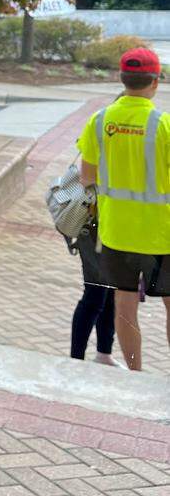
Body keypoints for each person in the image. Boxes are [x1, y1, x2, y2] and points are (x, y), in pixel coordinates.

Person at [78, 45, 170, 371]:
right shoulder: (164, 125)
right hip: (162, 236)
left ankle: (135, 373)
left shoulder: (99, 120)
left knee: (125, 304)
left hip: (116, 233)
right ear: (156, 81)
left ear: (122, 78)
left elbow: (86, 177)